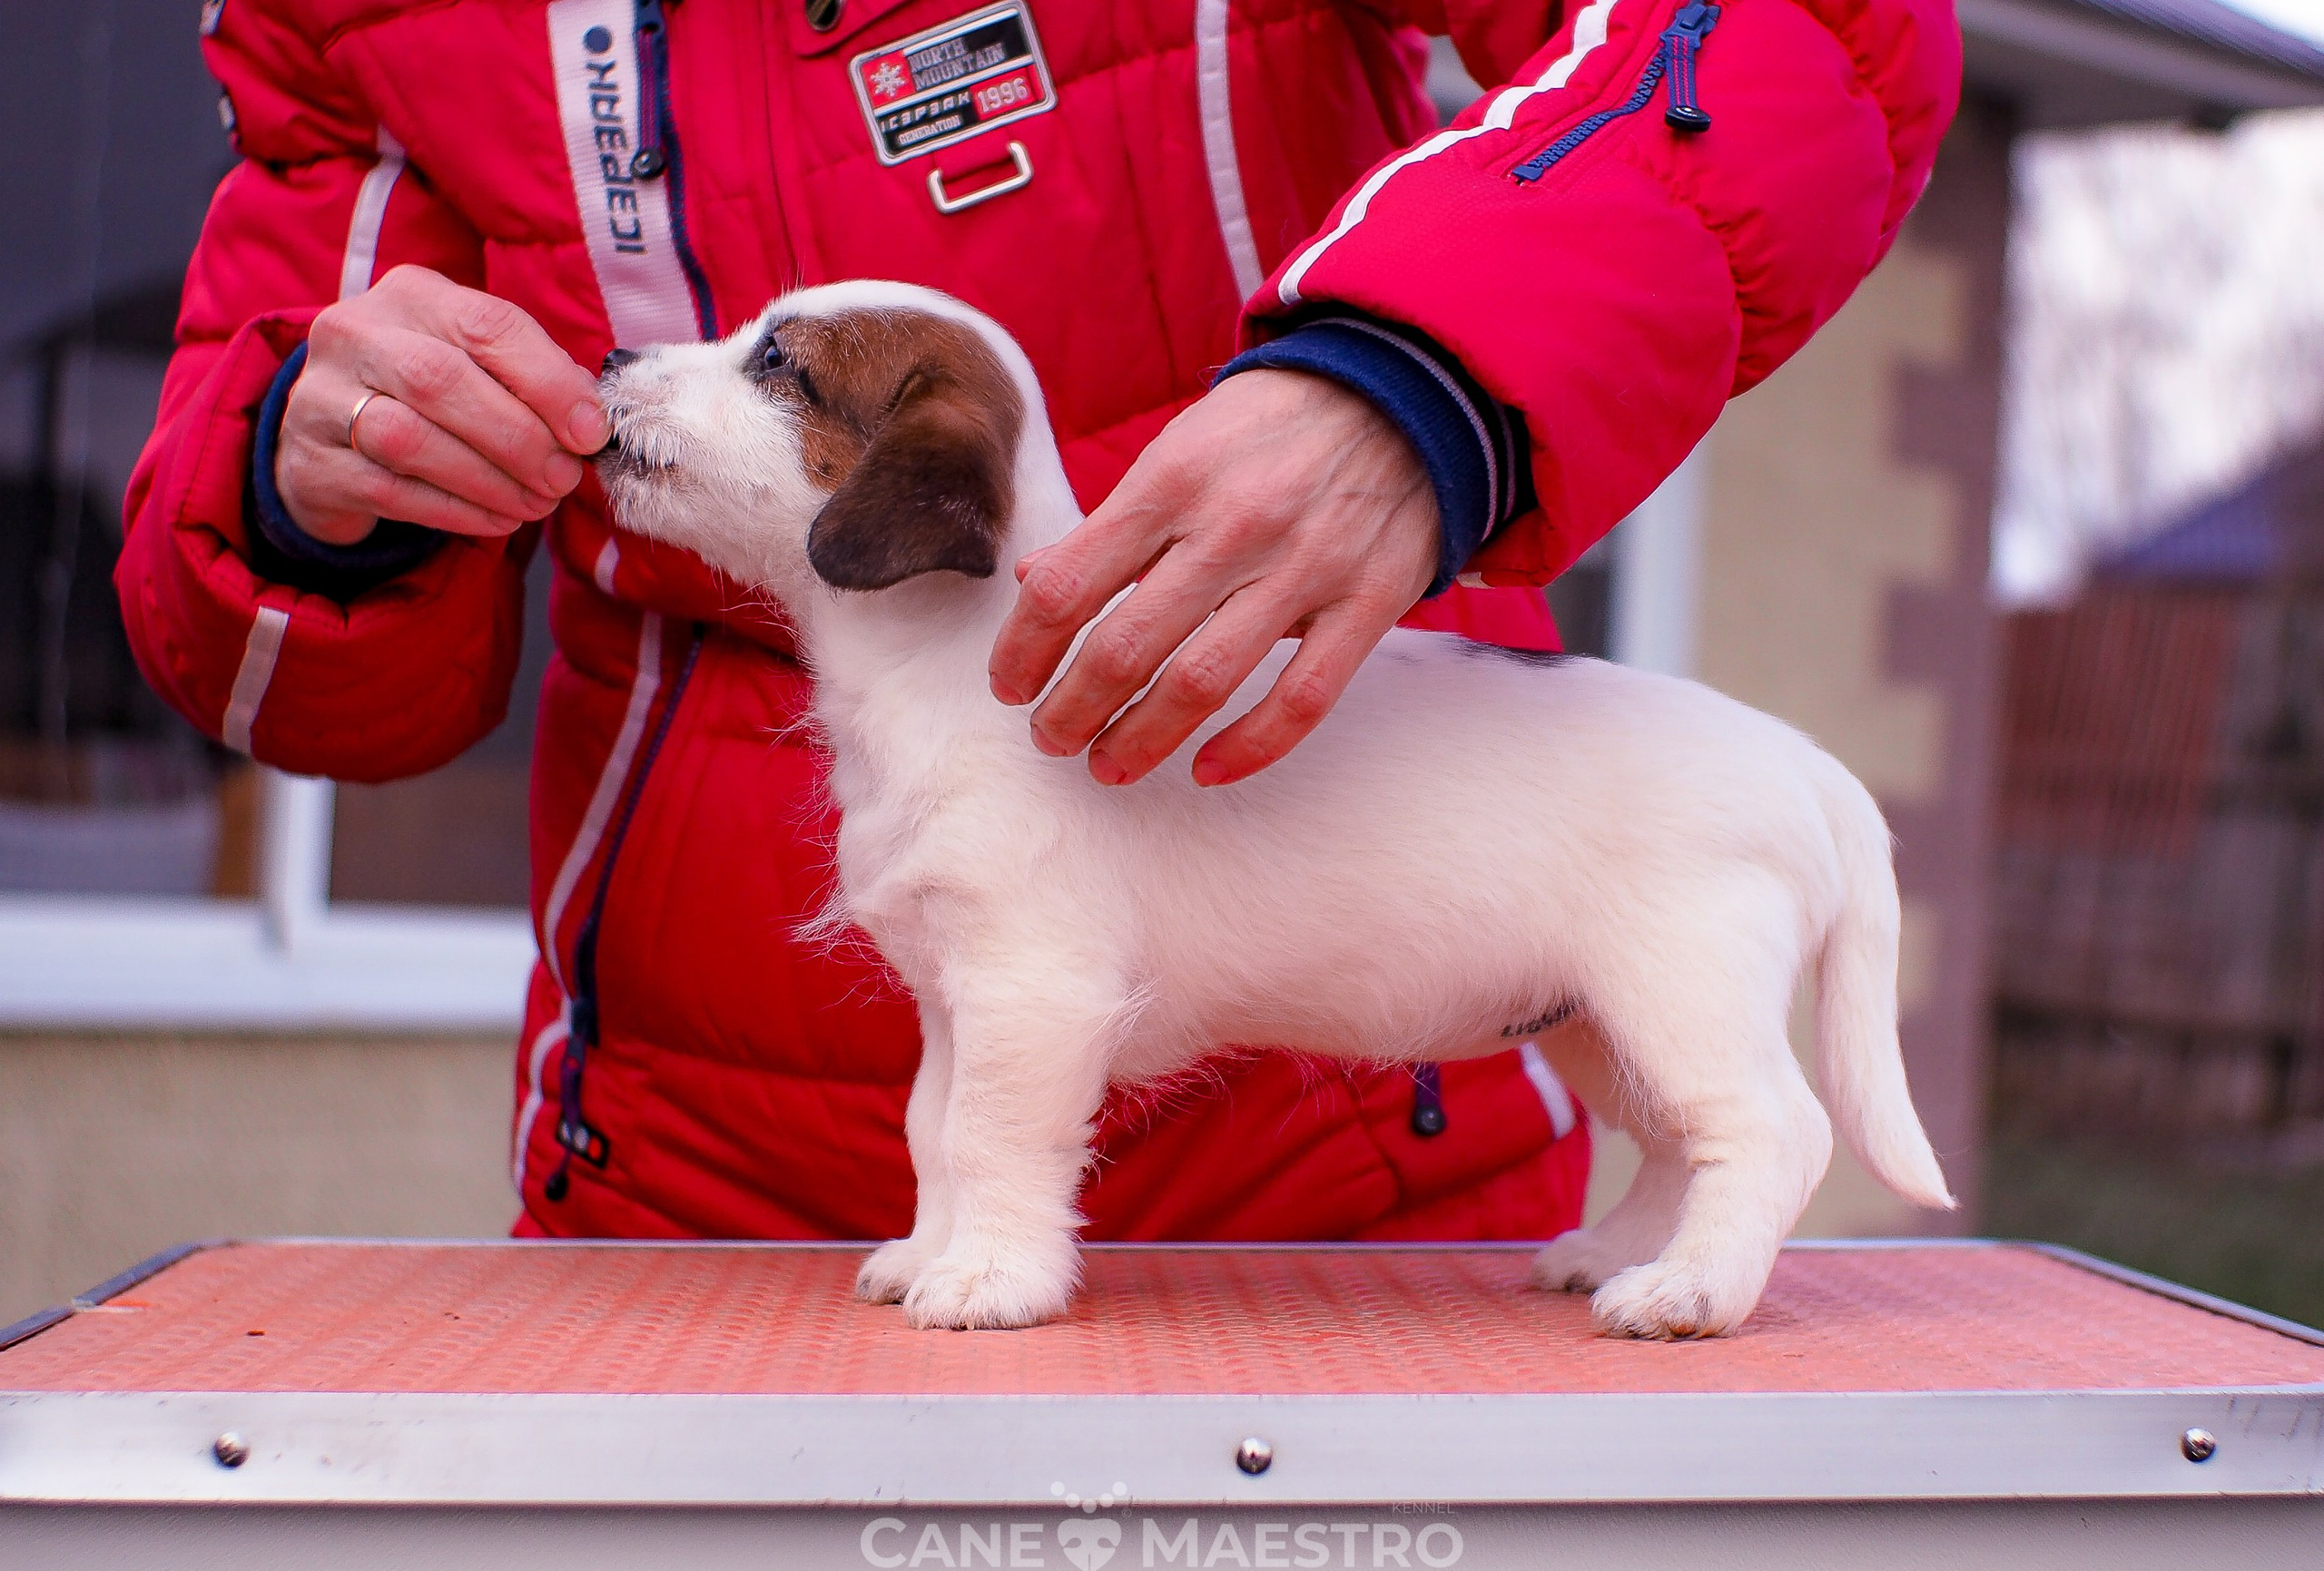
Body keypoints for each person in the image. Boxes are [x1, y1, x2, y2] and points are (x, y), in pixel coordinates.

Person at [120, 0, 1958, 1246]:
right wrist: (315, 473)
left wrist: (1427, 375)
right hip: (681, 1173)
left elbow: (1792, 39)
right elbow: (265, 648)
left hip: (1346, 1173)